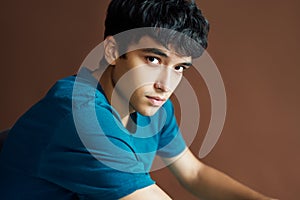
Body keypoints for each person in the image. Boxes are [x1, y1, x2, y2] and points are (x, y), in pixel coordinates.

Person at [0, 0, 276, 199]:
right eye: (152, 59)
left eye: (179, 67)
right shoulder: (80, 117)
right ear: (112, 50)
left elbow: (194, 175)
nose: (165, 85)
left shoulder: (152, 105)